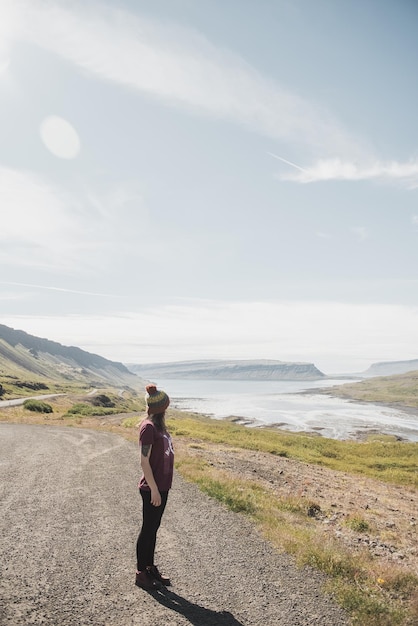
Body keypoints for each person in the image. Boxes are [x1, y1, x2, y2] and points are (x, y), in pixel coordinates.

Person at [135, 384, 174, 590]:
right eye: (166, 405)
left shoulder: (159, 427)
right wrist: (155, 489)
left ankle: (149, 567)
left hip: (162, 487)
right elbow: (144, 461)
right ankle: (141, 573)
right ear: (161, 408)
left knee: (154, 529)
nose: (168, 408)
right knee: (148, 529)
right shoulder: (148, 427)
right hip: (152, 489)